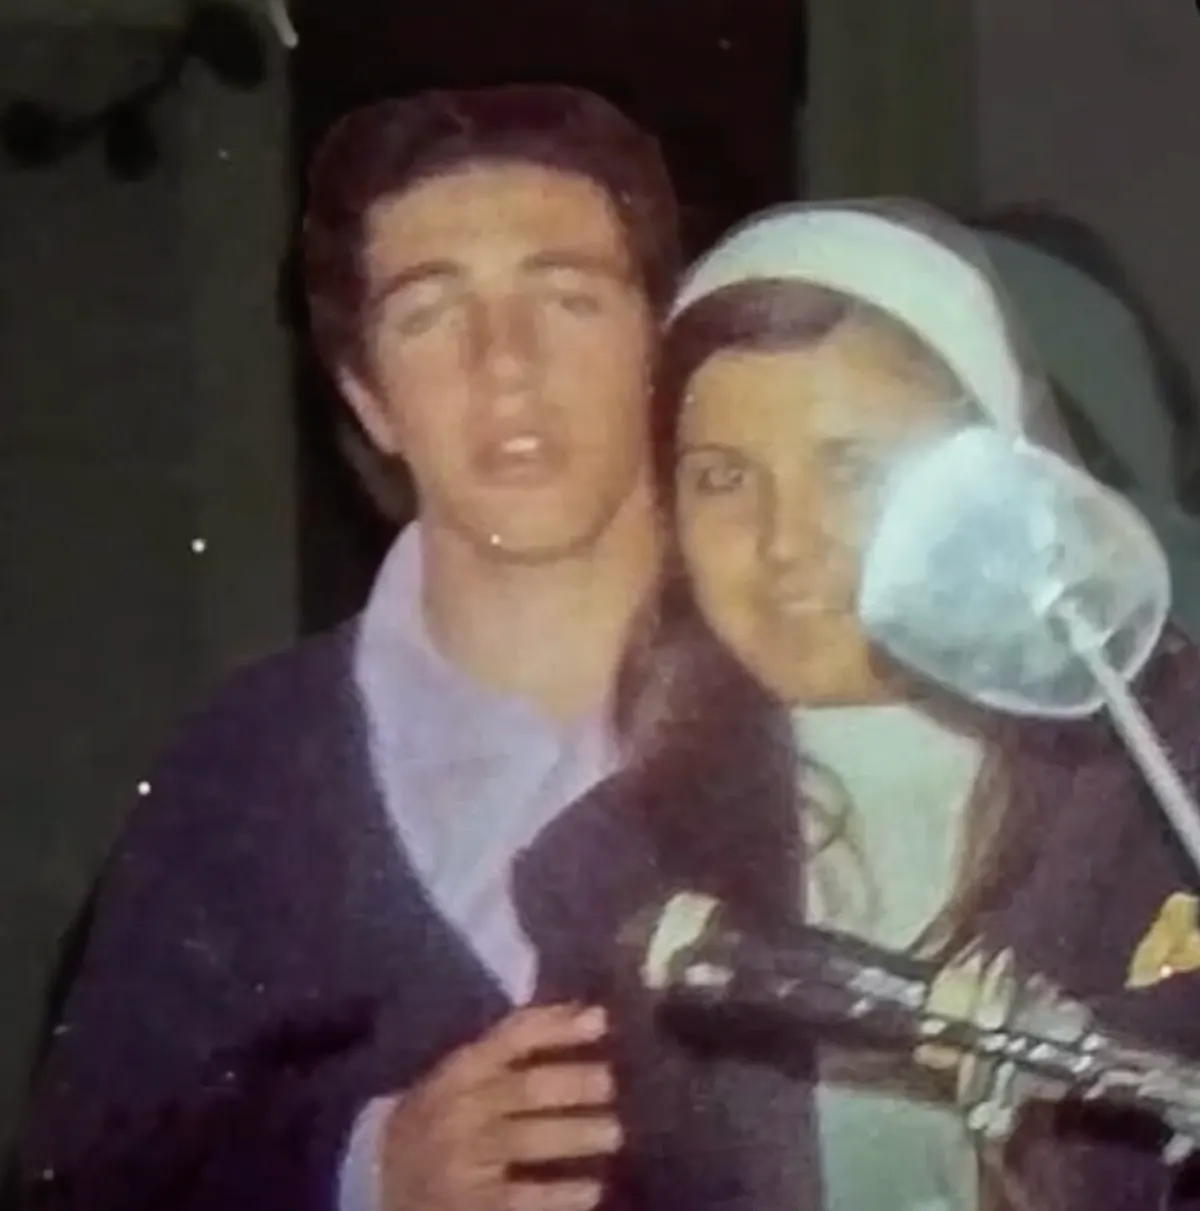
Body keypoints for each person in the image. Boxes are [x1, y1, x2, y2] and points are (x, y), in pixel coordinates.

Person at [12, 85, 678, 1211]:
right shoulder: (248, 767)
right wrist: (366, 1171)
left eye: (566, 298)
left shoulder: (802, 704)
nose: (504, 363)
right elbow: (76, 1182)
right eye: (430, 314)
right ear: (369, 398)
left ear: (661, 344)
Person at [521, 202, 1200, 1211]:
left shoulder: (1167, 784)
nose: (786, 540)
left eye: (852, 466)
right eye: (723, 478)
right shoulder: (608, 876)